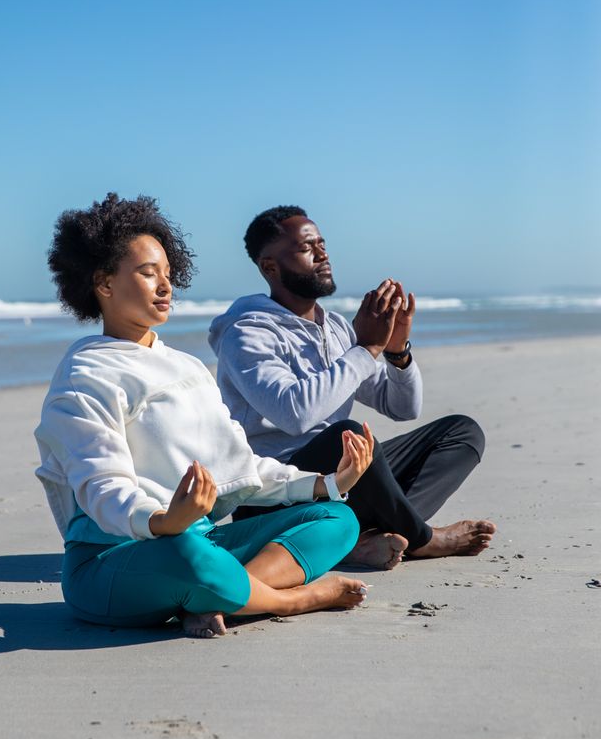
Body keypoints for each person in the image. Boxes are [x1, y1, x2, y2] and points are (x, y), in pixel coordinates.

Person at [35, 193, 375, 639]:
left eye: (168, 275)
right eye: (147, 273)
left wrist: (328, 483)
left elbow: (242, 466)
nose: (165, 287)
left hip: (200, 541)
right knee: (187, 558)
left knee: (337, 519)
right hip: (114, 560)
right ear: (103, 283)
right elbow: (101, 486)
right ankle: (292, 599)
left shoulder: (188, 367)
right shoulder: (85, 373)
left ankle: (225, 597)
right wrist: (164, 521)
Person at [208, 205, 497, 568]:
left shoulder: (338, 329)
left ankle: (365, 536)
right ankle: (422, 538)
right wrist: (367, 349)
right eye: (306, 247)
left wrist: (396, 354)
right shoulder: (247, 333)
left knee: (461, 432)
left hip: (341, 477)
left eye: (322, 244)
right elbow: (294, 414)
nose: (322, 254)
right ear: (270, 267)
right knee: (349, 436)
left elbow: (402, 408)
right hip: (274, 493)